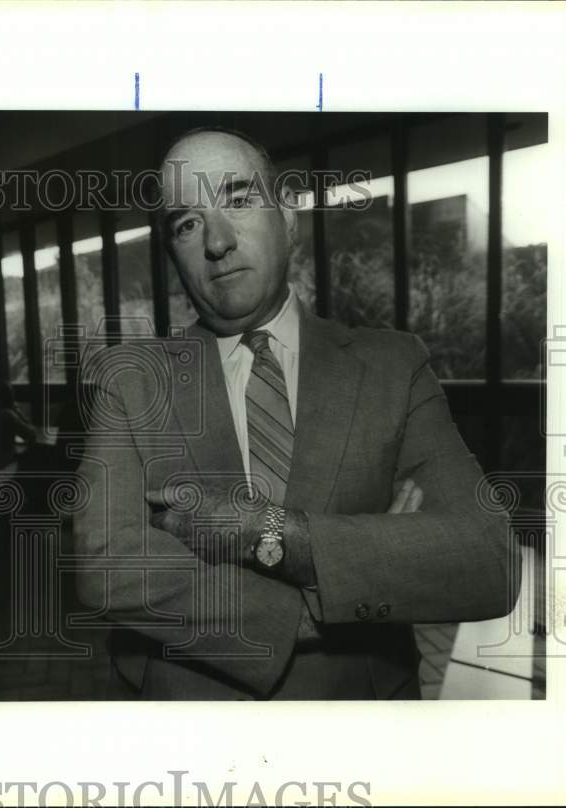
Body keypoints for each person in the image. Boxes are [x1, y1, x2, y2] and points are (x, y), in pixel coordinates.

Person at [73, 128, 520, 700]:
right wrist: (352, 573)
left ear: (287, 218)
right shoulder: (132, 379)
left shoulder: (392, 364)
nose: (217, 241)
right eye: (187, 223)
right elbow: (104, 566)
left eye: (238, 201)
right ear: (173, 253)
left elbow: (490, 559)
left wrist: (265, 531)